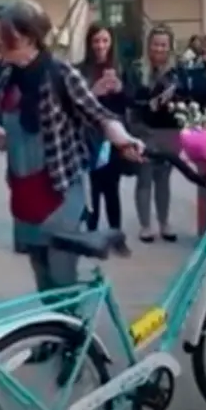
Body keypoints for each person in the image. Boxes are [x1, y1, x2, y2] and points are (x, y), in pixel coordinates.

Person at [0, 0, 142, 338]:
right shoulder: (5, 74)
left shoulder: (61, 74)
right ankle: (55, 333)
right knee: (42, 274)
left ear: (30, 38)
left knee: (61, 275)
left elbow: (101, 116)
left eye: (7, 37)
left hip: (61, 191)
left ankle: (75, 342)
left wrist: (124, 141)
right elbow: (11, 132)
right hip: (23, 190)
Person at [124, 25, 184, 243]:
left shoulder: (177, 71)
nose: (159, 49)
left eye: (164, 45)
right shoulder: (136, 70)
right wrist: (148, 102)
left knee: (164, 179)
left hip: (169, 130)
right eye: (156, 44)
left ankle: (164, 222)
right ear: (148, 46)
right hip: (144, 130)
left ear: (170, 47)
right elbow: (129, 98)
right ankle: (145, 225)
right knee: (145, 177)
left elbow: (186, 96)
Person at [75, 23, 130, 257]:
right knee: (92, 190)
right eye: (96, 41)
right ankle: (92, 235)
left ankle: (117, 237)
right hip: (89, 137)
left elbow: (129, 103)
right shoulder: (80, 70)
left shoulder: (120, 68)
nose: (100, 46)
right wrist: (93, 92)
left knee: (112, 189)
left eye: (105, 41)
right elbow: (75, 102)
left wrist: (120, 90)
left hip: (113, 137)